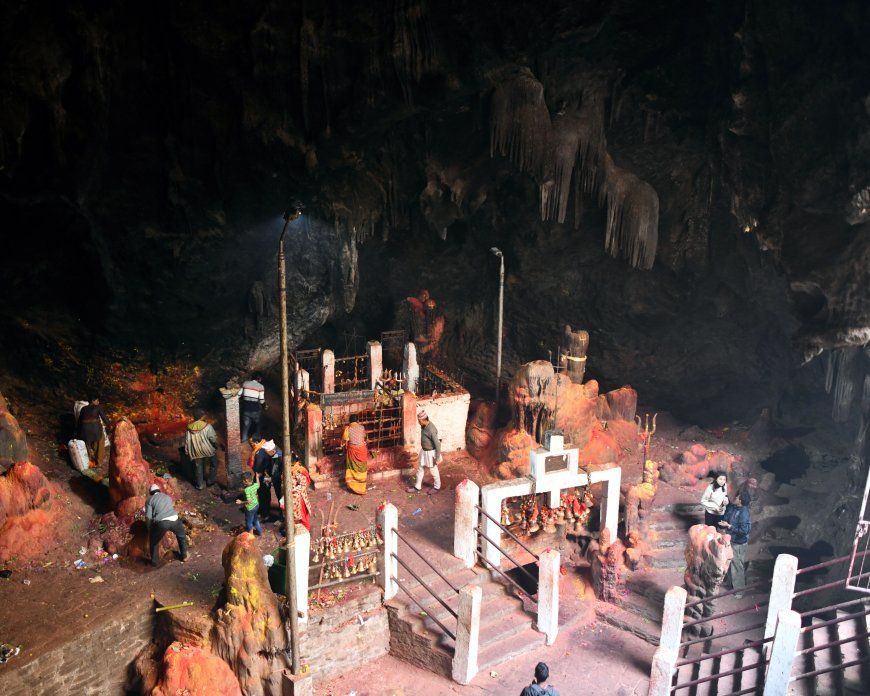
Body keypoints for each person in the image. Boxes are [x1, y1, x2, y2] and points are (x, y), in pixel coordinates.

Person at [144, 484, 188, 566]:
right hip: (175, 519)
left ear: (150, 493)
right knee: (181, 536)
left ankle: (155, 562)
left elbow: (148, 517)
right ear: (159, 491)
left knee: (154, 541)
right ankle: (184, 555)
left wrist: (149, 527)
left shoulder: (149, 500)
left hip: (162, 523)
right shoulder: (167, 497)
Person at [721, 490, 752, 598]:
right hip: (732, 540)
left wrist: (730, 527)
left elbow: (744, 530)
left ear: (741, 500)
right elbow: (729, 516)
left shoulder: (744, 513)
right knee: (730, 563)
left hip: (739, 543)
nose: (736, 498)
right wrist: (725, 523)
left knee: (737, 566)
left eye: (737, 497)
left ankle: (739, 590)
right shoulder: (735, 508)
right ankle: (730, 584)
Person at [407, 410, 442, 494]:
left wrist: (437, 458)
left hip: (431, 453)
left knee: (433, 470)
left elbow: (438, 444)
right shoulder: (424, 426)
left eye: (419, 421)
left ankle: (437, 487)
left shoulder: (431, 430)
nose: (419, 423)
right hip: (424, 451)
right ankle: (417, 487)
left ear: (423, 420)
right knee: (420, 468)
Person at [184, 408, 218, 489]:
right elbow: (213, 438)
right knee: (213, 464)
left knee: (198, 467)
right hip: (208, 450)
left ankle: (200, 485)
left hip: (196, 451)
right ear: (202, 417)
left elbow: (187, 441)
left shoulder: (189, 428)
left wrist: (187, 451)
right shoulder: (207, 426)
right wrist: (215, 444)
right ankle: (210, 480)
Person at [278, 458, 312, 532]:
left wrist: (291, 490)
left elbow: (303, 485)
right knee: (291, 516)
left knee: (302, 517)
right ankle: (294, 531)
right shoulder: (286, 469)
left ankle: (305, 533)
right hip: (288, 497)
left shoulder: (299, 471)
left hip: (298, 498)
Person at [252, 439, 281, 519]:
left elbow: (276, 470)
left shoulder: (278, 456)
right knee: (263, 494)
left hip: (274, 479)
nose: (273, 452)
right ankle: (265, 512)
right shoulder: (262, 453)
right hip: (265, 476)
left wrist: (271, 478)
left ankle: (279, 516)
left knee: (277, 497)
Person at [77, 397, 108, 466]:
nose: (98, 402)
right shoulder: (98, 407)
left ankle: (89, 461)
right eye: (97, 400)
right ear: (92, 401)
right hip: (96, 430)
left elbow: (79, 422)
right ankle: (99, 462)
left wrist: (78, 433)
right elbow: (105, 418)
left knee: (87, 445)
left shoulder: (83, 409)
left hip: (84, 431)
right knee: (100, 443)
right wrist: (110, 425)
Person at [342, 414, 369, 495]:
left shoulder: (347, 429)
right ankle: (361, 488)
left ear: (350, 421)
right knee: (362, 468)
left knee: (352, 468)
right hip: (362, 450)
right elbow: (363, 437)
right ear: (357, 421)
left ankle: (353, 486)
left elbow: (345, 440)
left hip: (352, 451)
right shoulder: (362, 427)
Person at [240, 374, 265, 442]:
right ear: (260, 379)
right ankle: (256, 438)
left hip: (245, 409)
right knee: (259, 423)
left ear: (251, 377)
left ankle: (244, 439)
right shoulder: (260, 387)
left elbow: (239, 394)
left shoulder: (245, 383)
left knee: (246, 425)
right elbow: (262, 400)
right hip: (255, 410)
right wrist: (264, 406)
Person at [236, 470, 262, 536]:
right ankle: (259, 532)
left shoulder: (246, 490)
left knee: (249, 522)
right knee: (255, 519)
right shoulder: (255, 485)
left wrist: (241, 502)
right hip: (256, 505)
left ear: (246, 480)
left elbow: (249, 501)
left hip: (250, 508)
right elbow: (258, 484)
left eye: (242, 480)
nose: (242, 482)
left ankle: (251, 536)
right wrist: (257, 477)